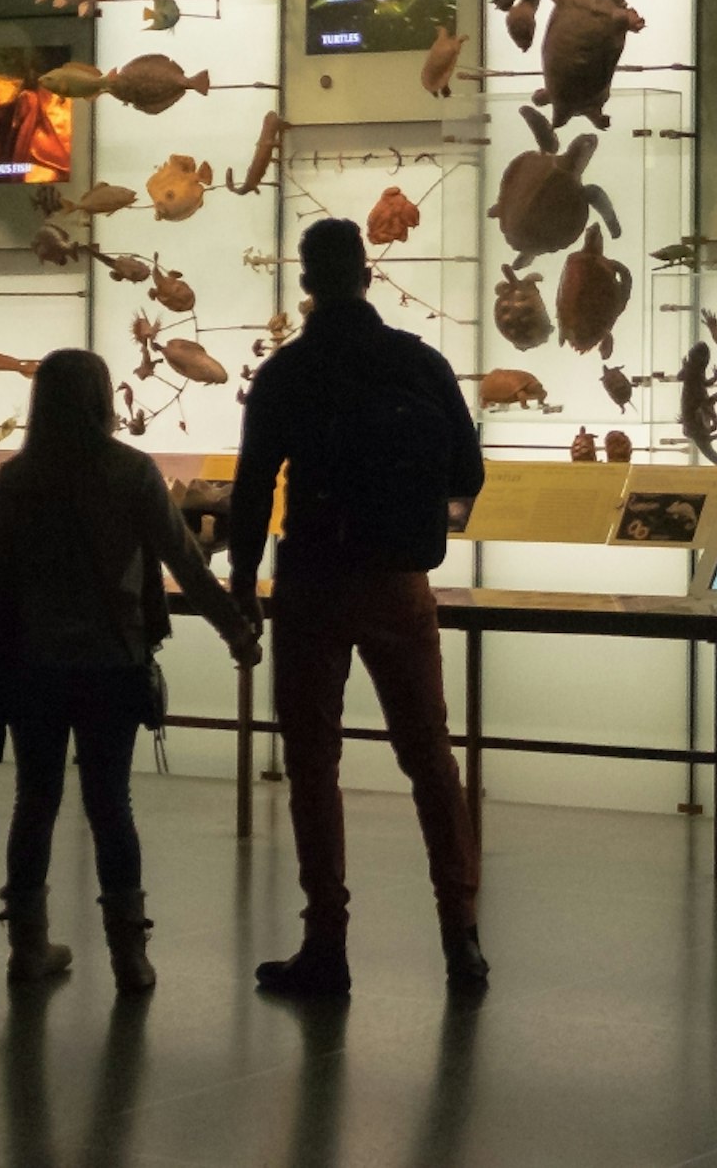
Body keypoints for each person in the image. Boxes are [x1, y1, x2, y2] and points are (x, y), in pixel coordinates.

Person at [231, 217, 491, 999]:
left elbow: (251, 489)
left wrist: (244, 586)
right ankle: (462, 938)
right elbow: (468, 469)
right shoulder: (416, 361)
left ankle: (328, 944)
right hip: (399, 582)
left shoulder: (289, 371)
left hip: (312, 581)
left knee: (314, 764)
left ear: (307, 282)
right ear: (366, 274)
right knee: (430, 761)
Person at [0, 348, 258, 989]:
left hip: (33, 662)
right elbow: (184, 561)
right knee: (109, 803)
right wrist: (236, 630)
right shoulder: (130, 472)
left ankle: (27, 949)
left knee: (34, 801)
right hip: (111, 661)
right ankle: (129, 955)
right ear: (101, 400)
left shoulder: (19, 477)